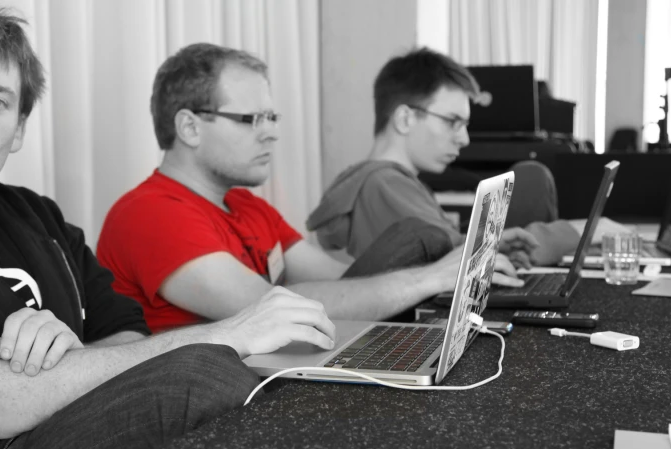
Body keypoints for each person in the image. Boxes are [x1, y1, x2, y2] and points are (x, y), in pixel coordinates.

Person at [0, 6, 338, 449]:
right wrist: (231, 333)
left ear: (19, 130)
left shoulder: (30, 213)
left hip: (59, 435)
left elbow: (129, 335)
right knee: (197, 375)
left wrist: (69, 357)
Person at [96, 43, 531, 334]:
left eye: (273, 118)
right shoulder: (150, 213)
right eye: (253, 120)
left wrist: (445, 269)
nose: (270, 134)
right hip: (228, 411)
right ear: (189, 126)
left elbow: (342, 281)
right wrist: (433, 275)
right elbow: (270, 308)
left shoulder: (246, 206)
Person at [306, 48, 580, 266]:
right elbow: (455, 264)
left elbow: (446, 249)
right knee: (532, 178)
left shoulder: (382, 181)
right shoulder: (384, 184)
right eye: (452, 121)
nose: (464, 139)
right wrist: (578, 233)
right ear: (405, 119)